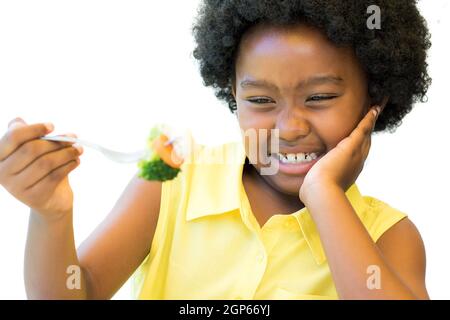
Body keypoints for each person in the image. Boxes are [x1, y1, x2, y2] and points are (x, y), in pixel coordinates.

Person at [0, 0, 431, 299]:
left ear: (375, 100)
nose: (289, 127)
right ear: (232, 94)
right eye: (261, 101)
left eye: (318, 98)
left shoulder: (389, 237)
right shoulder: (171, 180)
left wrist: (323, 194)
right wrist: (51, 215)